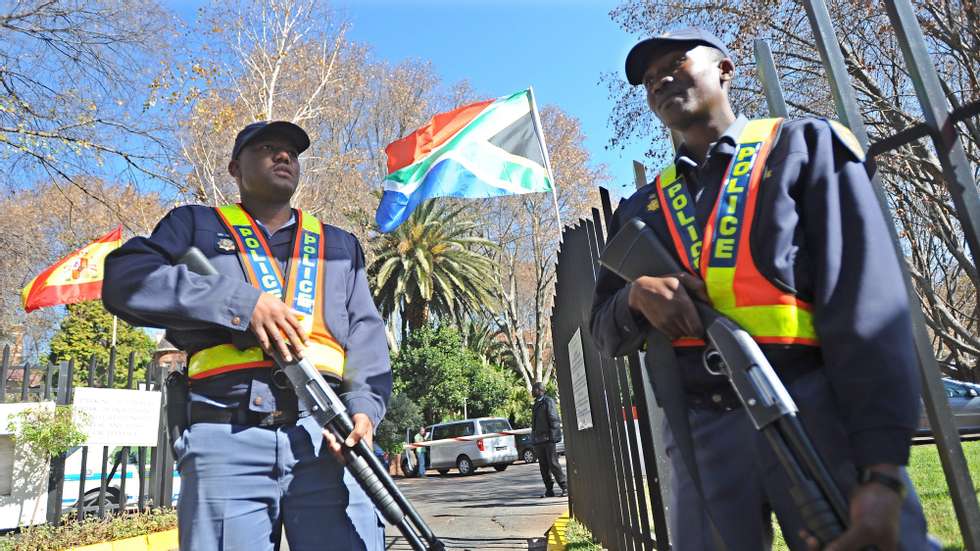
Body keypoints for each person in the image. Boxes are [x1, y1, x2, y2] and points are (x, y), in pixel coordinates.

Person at [590, 28, 937, 551]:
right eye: (647, 78)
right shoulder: (642, 209)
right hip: (700, 431)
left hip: (812, 410)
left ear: (725, 70)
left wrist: (883, 469)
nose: (659, 79)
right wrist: (635, 298)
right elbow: (601, 330)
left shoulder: (805, 147)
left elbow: (867, 308)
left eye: (677, 62)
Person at [103, 120, 391, 551]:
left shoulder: (339, 245)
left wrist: (365, 412)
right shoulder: (194, 226)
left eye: (292, 152)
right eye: (268, 148)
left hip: (326, 439)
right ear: (235, 168)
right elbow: (124, 280)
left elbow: (367, 337)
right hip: (226, 437)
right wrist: (239, 303)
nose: (284, 156)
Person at [531, 381, 566, 498]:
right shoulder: (536, 404)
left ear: (540, 390)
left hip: (548, 439)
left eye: (534, 389)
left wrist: (554, 437)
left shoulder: (548, 401)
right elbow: (534, 424)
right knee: (543, 466)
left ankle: (564, 487)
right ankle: (549, 490)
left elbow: (554, 419)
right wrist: (534, 438)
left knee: (553, 463)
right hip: (539, 440)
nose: (532, 391)